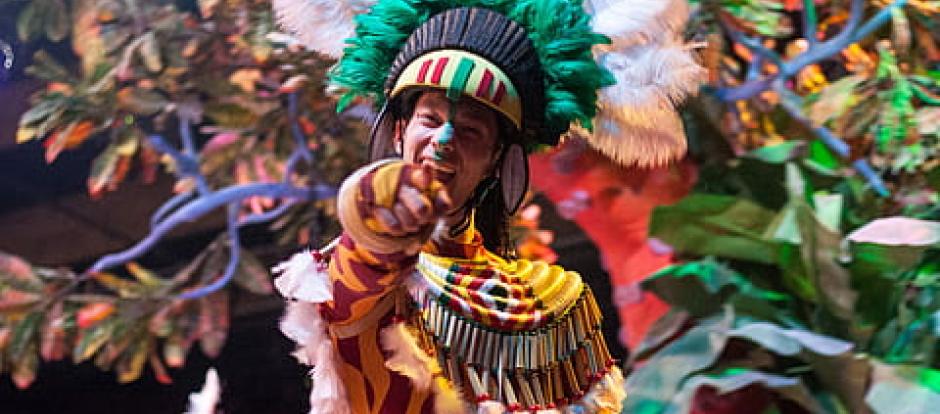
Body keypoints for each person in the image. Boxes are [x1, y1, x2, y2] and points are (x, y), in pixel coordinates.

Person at [272, 1, 700, 413]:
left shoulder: (553, 306)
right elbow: (364, 258)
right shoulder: (358, 271)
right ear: (400, 132)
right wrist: (382, 207)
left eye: (471, 129)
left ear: (495, 159)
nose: (443, 140)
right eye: (431, 120)